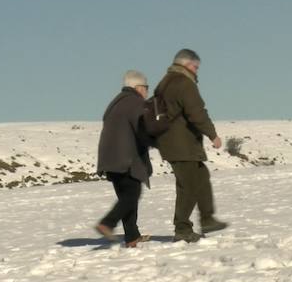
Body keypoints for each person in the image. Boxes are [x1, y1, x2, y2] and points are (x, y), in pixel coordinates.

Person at [153, 49, 228, 243]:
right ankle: (183, 229)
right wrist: (212, 135)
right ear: (186, 64)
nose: (197, 71)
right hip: (182, 143)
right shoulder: (184, 83)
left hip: (171, 143)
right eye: (195, 67)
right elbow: (197, 112)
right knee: (188, 186)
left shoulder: (165, 82)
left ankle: (207, 218)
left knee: (201, 176)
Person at [94, 70, 153, 248]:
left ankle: (132, 237)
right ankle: (107, 223)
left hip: (110, 160)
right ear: (138, 87)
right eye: (146, 88)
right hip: (125, 159)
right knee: (131, 196)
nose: (147, 92)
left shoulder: (115, 103)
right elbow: (144, 129)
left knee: (126, 197)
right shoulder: (135, 103)